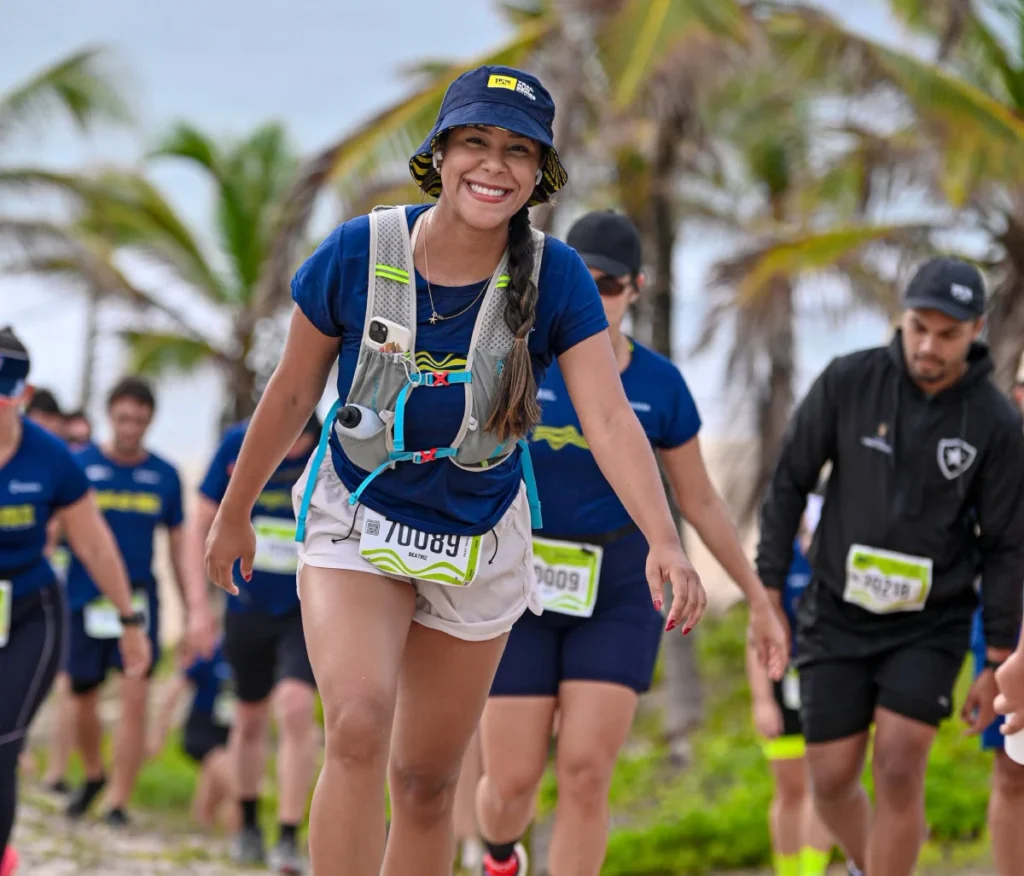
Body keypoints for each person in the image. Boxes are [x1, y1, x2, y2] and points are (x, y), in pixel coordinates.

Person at [204, 65, 712, 876]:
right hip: (358, 518)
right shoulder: (357, 252)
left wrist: (665, 540)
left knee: (427, 780)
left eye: (518, 150)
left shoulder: (558, 278)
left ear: (539, 174)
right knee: (361, 726)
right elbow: (294, 387)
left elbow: (610, 418)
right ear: (439, 153)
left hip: (477, 535)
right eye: (475, 141)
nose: (494, 165)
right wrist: (233, 511)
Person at [475, 210, 787, 876]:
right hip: (518, 580)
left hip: (619, 581)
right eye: (579, 281)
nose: (594, 296)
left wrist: (758, 599)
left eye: (608, 284)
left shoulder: (659, 386)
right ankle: (500, 856)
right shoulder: (516, 362)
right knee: (510, 783)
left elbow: (700, 500)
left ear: (637, 288)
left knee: (586, 773)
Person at [756, 257, 1024, 876]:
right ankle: (866, 863)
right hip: (836, 613)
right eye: (918, 327)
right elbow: (789, 483)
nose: (929, 345)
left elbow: (1007, 545)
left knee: (901, 767)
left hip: (930, 624)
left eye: (947, 334)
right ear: (900, 319)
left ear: (977, 329)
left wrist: (996, 660)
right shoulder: (849, 381)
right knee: (828, 779)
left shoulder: (995, 422)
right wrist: (768, 590)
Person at [0, 327, 150, 876]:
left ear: (23, 393)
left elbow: (94, 543)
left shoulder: (51, 458)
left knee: (2, 742)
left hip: (29, 613)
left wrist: (131, 619)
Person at [187, 415, 322, 873]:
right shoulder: (238, 442)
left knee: (296, 707)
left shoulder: (331, 442)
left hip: (306, 610)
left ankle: (287, 834)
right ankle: (247, 823)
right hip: (245, 606)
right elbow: (202, 522)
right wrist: (197, 609)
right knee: (247, 718)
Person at [63, 377, 195, 826]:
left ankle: (119, 800)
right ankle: (94, 774)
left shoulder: (164, 475)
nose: (131, 427)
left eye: (139, 419)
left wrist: (193, 607)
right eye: (123, 418)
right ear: (109, 417)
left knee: (136, 695)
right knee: (83, 694)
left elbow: (179, 548)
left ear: (150, 420)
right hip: (84, 596)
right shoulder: (79, 465)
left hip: (139, 601)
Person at [747, 493, 835, 876]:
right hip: (786, 683)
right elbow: (754, 637)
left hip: (835, 686)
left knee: (829, 788)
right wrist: (762, 699)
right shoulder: (777, 564)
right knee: (791, 790)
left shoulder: (839, 560)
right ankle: (788, 870)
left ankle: (812, 871)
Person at [148, 639, 238, 832]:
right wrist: (159, 732)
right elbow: (174, 690)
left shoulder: (256, 657)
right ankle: (242, 835)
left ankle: (202, 830)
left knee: (213, 786)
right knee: (237, 783)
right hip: (202, 729)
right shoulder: (211, 654)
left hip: (230, 731)